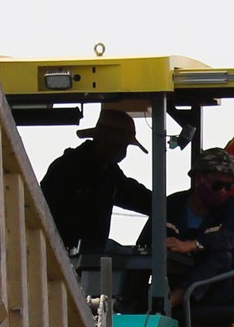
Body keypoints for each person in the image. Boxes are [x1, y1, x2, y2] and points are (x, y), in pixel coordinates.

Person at [39, 107, 152, 262]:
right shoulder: (66, 169)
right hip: (58, 259)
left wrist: (171, 206)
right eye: (121, 146)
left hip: (87, 260)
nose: (123, 152)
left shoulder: (109, 172)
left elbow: (136, 196)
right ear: (105, 141)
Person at [164, 147, 234, 292]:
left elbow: (228, 239)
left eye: (228, 186)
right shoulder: (172, 204)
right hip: (172, 278)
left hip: (216, 292)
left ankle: (176, 299)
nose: (223, 191)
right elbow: (145, 243)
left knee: (222, 256)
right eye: (217, 185)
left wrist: (193, 245)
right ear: (199, 178)